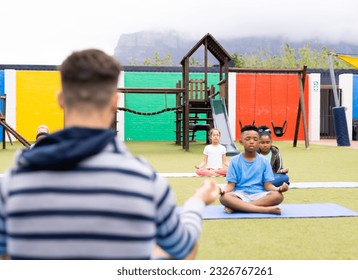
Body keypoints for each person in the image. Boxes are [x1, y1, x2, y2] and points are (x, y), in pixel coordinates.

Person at [0, 49, 220, 260]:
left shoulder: (11, 184)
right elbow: (182, 247)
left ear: (61, 99)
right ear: (115, 101)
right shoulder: (145, 180)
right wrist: (197, 201)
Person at [219, 124, 288, 215]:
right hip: (240, 194)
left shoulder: (264, 161)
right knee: (224, 198)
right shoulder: (234, 161)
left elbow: (268, 185)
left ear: (258, 142)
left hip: (259, 194)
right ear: (241, 142)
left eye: (255, 139)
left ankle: (237, 207)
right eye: (248, 139)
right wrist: (223, 190)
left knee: (278, 196)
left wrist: (278, 189)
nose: (251, 142)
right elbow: (231, 185)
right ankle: (265, 210)